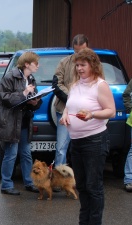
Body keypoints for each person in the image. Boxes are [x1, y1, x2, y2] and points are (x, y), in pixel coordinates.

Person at [60, 48, 116, 225]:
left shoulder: (100, 86)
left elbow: (111, 111)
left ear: (93, 65)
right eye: (77, 65)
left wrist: (92, 114)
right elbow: (69, 106)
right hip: (76, 141)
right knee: (82, 185)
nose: (79, 68)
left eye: (83, 65)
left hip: (95, 140)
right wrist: (66, 116)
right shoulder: (75, 85)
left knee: (94, 185)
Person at [0, 51, 42, 196]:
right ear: (27, 64)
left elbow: (32, 100)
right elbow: (5, 98)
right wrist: (24, 93)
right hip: (11, 122)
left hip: (24, 121)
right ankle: (6, 184)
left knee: (26, 153)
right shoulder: (10, 77)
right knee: (11, 154)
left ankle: (29, 182)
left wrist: (35, 102)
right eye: (35, 63)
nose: (38, 66)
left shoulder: (31, 78)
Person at [52, 34, 89, 167]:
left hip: (86, 112)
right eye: (76, 51)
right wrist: (72, 98)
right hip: (63, 110)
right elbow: (56, 83)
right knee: (61, 148)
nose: (79, 54)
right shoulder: (64, 62)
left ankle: (82, 179)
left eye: (82, 51)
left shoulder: (93, 64)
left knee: (84, 149)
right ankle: (58, 179)